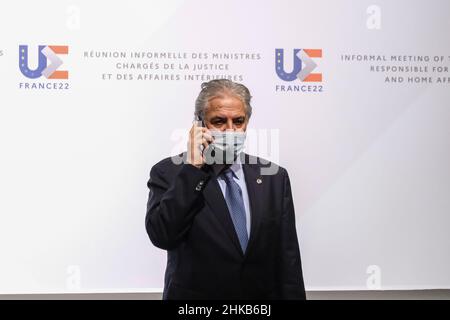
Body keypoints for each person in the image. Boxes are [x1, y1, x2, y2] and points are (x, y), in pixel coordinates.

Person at [145, 79, 306, 299]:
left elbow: (288, 261)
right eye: (219, 121)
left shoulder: (274, 177)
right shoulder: (170, 173)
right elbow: (163, 236)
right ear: (199, 123)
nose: (231, 130)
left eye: (238, 121)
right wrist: (193, 168)